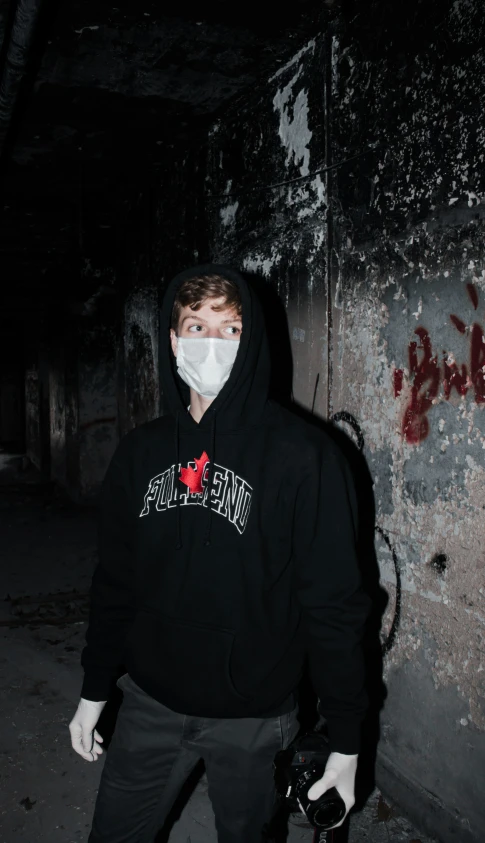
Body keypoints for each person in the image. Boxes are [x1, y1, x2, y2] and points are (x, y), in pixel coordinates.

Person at [69, 265, 370, 843]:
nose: (212, 344)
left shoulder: (305, 458)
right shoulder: (139, 455)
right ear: (174, 340)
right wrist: (94, 687)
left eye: (229, 329)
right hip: (149, 704)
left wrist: (346, 737)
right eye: (196, 326)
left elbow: (334, 603)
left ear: (251, 337)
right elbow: (115, 581)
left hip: (256, 718)